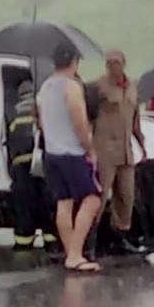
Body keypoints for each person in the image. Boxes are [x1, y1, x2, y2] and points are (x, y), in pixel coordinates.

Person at [37, 45, 102, 273]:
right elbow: (79, 122)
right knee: (92, 198)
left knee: (64, 202)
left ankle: (71, 252)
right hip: (72, 153)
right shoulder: (72, 87)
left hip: (52, 152)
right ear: (74, 62)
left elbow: (41, 121)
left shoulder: (45, 87)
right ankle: (75, 253)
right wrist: (89, 148)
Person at [91, 49, 147, 254]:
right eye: (109, 63)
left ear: (124, 63)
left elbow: (135, 119)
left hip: (126, 150)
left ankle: (120, 236)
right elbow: (88, 116)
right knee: (99, 194)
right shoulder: (98, 87)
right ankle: (92, 239)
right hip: (104, 149)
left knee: (126, 195)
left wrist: (141, 143)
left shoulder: (132, 87)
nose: (112, 66)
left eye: (116, 62)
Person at [6, 79, 58, 252]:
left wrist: (11, 171)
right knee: (46, 204)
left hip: (20, 166)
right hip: (41, 163)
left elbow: (10, 142)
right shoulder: (44, 108)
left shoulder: (13, 112)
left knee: (24, 207)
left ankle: (23, 243)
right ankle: (51, 242)